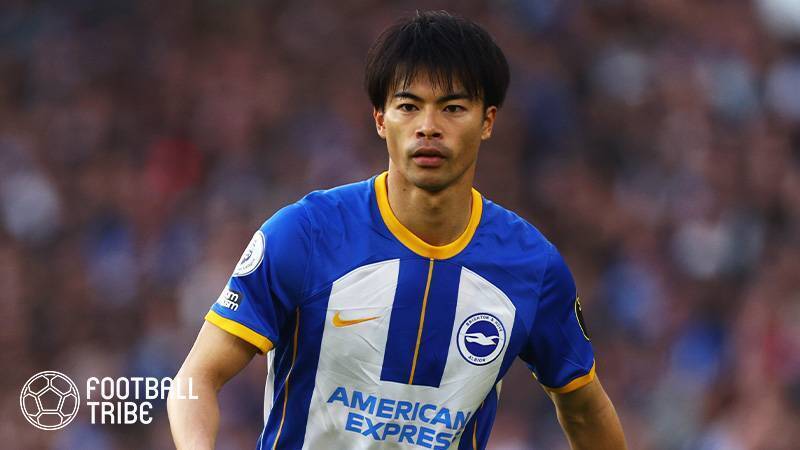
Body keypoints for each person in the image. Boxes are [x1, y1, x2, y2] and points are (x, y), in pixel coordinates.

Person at [168, 10, 627, 450]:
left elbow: (585, 411)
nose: (428, 127)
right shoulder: (305, 234)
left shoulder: (533, 268)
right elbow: (196, 378)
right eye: (408, 106)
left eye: (452, 108)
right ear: (380, 119)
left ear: (487, 121)